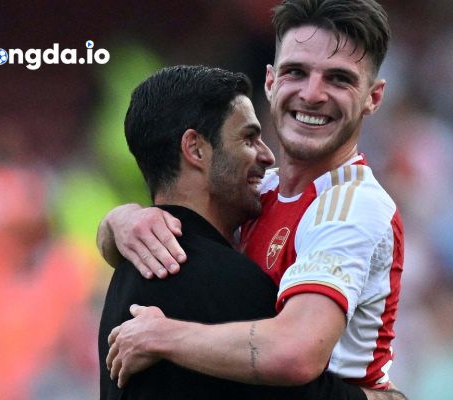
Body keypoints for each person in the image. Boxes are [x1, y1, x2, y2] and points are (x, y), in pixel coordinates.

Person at [101, 0, 405, 397]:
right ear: (270, 82)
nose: (312, 94)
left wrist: (164, 336)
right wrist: (121, 222)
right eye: (296, 72)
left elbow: (295, 354)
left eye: (339, 79)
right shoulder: (257, 191)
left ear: (373, 98)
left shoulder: (350, 205)